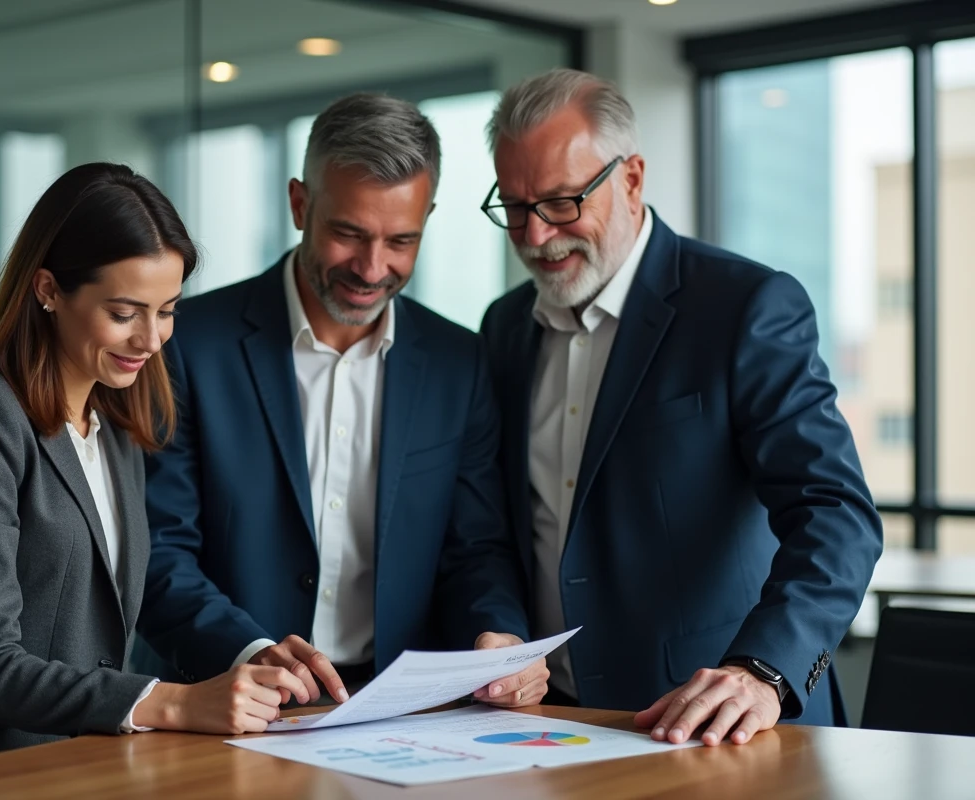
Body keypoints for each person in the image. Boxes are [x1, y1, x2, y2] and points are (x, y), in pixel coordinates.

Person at [479, 69, 882, 745]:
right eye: (515, 208)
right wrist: (500, 631)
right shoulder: (504, 328)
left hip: (722, 728)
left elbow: (836, 514)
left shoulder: (744, 306)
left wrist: (763, 670)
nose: (536, 235)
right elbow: (497, 526)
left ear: (632, 178)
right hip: (552, 727)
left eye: (561, 203)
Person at [0, 163, 308, 771]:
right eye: (125, 312)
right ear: (48, 290)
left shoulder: (116, 429)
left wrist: (251, 654)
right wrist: (173, 701)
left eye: (166, 310)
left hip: (83, 769)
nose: (151, 340)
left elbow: (130, 598)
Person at [139, 93, 545, 707]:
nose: (372, 268)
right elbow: (158, 548)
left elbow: (476, 548)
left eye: (401, 240)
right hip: (224, 698)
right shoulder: (187, 345)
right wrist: (250, 653)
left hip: (402, 707)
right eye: (348, 234)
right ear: (300, 204)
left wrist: (500, 637)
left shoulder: (458, 362)